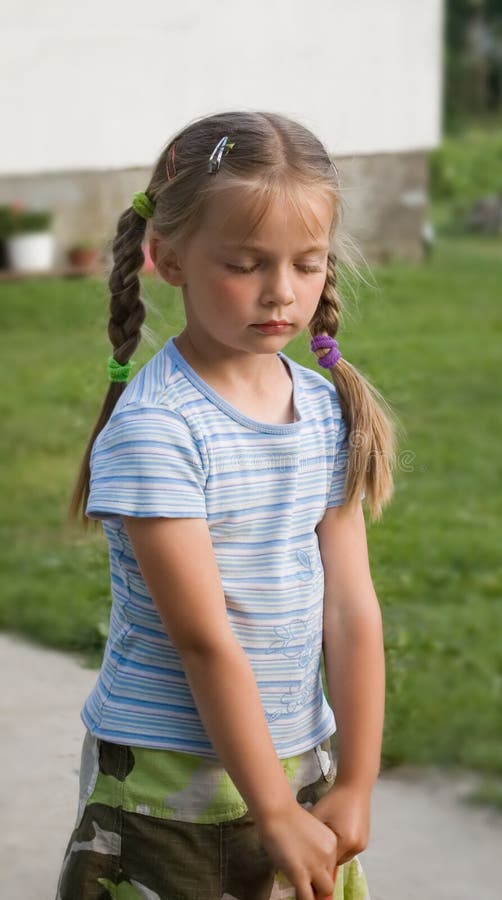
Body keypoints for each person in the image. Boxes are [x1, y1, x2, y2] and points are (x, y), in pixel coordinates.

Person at [58, 110, 396, 900]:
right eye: (246, 264)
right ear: (167, 258)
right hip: (166, 786)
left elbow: (351, 608)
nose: (282, 291)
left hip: (296, 759)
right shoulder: (159, 429)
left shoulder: (322, 410)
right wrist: (273, 809)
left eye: (308, 265)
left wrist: (356, 778)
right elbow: (203, 641)